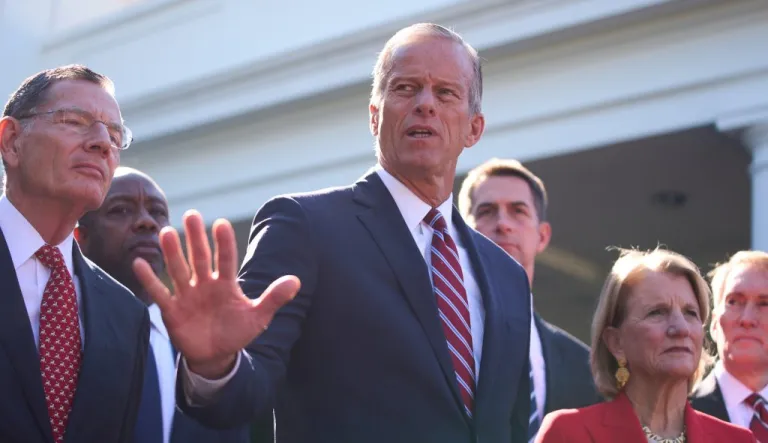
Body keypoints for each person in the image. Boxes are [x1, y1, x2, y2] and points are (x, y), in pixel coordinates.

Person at [135, 23, 532, 443]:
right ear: (375, 116)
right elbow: (244, 395)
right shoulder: (303, 226)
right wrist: (215, 366)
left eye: (445, 93)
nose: (425, 104)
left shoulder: (506, 275)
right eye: (405, 88)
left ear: (474, 128)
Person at [0, 65, 149, 443]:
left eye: (116, 135)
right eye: (74, 120)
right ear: (12, 140)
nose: (102, 143)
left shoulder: (126, 314)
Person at [75, 166, 253, 443]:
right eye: (120, 210)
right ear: (80, 238)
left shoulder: (205, 348)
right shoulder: (59, 339)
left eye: (158, 212)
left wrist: (217, 367)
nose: (147, 222)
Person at [535, 248, 755, 443]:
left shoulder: (738, 440)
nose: (681, 329)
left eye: (690, 313)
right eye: (657, 312)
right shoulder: (570, 434)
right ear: (616, 342)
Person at [458, 158, 601, 439]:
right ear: (461, 235)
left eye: (518, 211)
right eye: (486, 211)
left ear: (542, 236)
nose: (502, 224)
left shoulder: (584, 365)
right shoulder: (434, 342)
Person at [691, 250, 768, 440]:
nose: (747, 319)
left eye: (764, 303)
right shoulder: (679, 417)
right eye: (734, 301)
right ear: (714, 324)